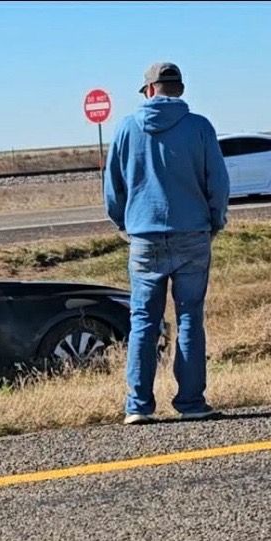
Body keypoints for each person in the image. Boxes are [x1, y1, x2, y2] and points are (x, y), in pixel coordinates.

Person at [104, 62, 230, 425]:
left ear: (149, 90)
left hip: (144, 236)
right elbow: (218, 183)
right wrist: (214, 222)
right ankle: (191, 402)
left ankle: (138, 405)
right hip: (192, 233)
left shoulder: (126, 128)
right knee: (190, 318)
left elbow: (113, 188)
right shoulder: (200, 127)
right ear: (181, 90)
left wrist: (126, 224)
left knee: (144, 321)